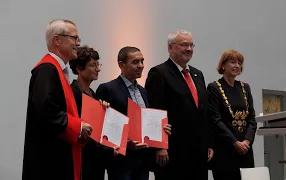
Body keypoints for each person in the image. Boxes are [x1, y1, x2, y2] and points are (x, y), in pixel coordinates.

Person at [22, 19, 92, 180]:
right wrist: (78, 126)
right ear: (57, 40)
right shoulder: (47, 69)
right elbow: (45, 110)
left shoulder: (57, 70)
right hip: (49, 161)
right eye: (74, 38)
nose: (79, 43)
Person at [145, 30, 214, 180]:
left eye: (191, 45)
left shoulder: (198, 74)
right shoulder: (159, 73)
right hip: (173, 151)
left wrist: (208, 143)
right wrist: (160, 146)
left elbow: (203, 112)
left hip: (199, 152)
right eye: (184, 45)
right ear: (171, 48)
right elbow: (154, 112)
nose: (189, 49)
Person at [96, 46, 171, 180]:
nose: (141, 66)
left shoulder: (143, 91)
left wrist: (160, 131)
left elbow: (146, 121)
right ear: (121, 64)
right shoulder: (107, 89)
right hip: (121, 159)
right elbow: (103, 126)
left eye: (142, 61)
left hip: (143, 158)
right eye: (135, 62)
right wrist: (125, 143)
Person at [207, 50, 257, 180]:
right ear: (223, 65)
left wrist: (246, 141)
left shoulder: (245, 87)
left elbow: (251, 118)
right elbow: (215, 120)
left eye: (239, 63)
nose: (237, 65)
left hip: (245, 149)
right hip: (225, 148)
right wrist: (235, 143)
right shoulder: (214, 88)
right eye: (232, 62)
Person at [69, 45, 117, 180]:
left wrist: (103, 111)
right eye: (92, 65)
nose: (98, 69)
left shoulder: (92, 94)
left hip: (94, 161)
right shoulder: (73, 93)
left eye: (98, 64)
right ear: (79, 68)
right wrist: (108, 151)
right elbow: (81, 132)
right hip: (83, 160)